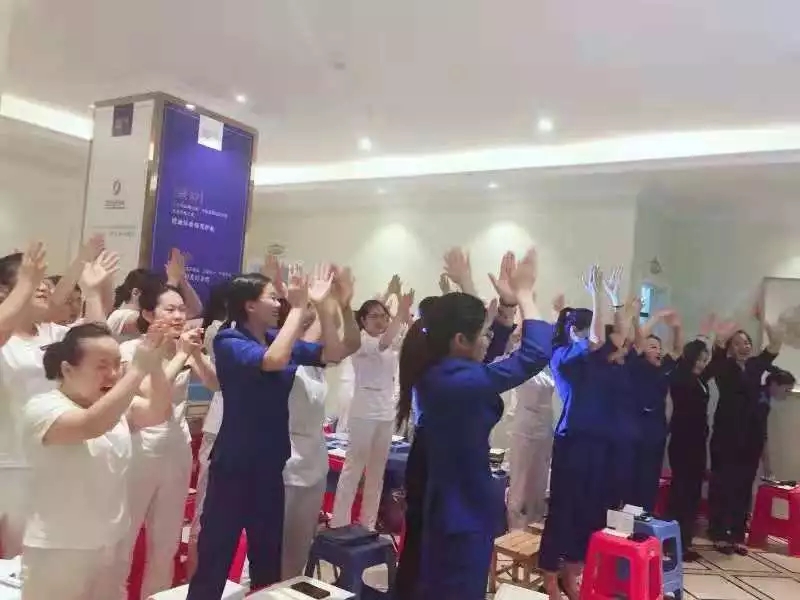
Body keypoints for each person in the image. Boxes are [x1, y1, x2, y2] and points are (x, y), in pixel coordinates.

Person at [188, 265, 358, 599]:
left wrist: (326, 306)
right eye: (271, 297)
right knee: (215, 556)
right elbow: (273, 360)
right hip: (234, 465)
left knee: (267, 558)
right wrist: (299, 307)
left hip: (270, 465)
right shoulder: (229, 340)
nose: (279, 303)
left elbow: (335, 352)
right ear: (250, 305)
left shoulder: (273, 338)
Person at [401, 248, 552, 600]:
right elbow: (534, 354)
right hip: (460, 513)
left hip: (457, 503)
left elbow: (485, 352)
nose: (489, 339)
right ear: (459, 340)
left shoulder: (444, 370)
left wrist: (507, 305)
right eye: (482, 334)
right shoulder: (456, 382)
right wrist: (526, 294)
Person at [19, 321, 173, 600]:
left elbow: (158, 412)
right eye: (102, 366)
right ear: (68, 369)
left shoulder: (116, 406)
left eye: (117, 364)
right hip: (60, 550)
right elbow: (90, 425)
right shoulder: (43, 407)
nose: (112, 374)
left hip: (111, 543)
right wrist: (138, 369)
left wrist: (155, 365)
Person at [0, 243, 117, 558]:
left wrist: (92, 292)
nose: (43, 287)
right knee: (15, 557)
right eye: (33, 279)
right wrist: (25, 285)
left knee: (50, 552)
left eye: (44, 281)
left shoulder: (53, 332)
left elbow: (98, 341)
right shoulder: (5, 338)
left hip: (60, 452)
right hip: (13, 463)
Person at [539, 265, 635, 600]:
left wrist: (615, 299)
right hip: (573, 442)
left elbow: (618, 337)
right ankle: (549, 575)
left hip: (599, 443)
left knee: (589, 510)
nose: (595, 334)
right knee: (563, 510)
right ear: (572, 330)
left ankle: (572, 573)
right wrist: (596, 293)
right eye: (586, 327)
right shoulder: (563, 356)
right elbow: (596, 338)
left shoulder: (597, 359)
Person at [117, 283, 219, 599]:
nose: (178, 316)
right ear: (149, 314)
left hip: (176, 448)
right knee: (124, 539)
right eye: (169, 309)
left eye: (181, 309)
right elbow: (148, 392)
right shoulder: (132, 350)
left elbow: (215, 384)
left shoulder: (184, 348)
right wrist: (182, 356)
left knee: (166, 543)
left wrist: (195, 354)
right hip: (139, 446)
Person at [282, 266, 360, 577]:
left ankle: (290, 589)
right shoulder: (284, 353)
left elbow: (348, 344)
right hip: (285, 461)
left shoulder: (315, 359)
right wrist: (320, 304)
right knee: (274, 545)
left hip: (314, 458)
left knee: (301, 546)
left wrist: (344, 306)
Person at [330, 291, 413, 530]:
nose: (380, 320)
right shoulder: (361, 342)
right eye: (374, 316)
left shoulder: (391, 344)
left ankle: (367, 523)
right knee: (353, 469)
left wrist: (403, 316)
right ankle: (339, 522)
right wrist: (400, 313)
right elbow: (384, 342)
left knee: (377, 473)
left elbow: (398, 339)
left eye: (384, 316)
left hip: (386, 413)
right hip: (364, 412)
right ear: (363, 320)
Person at [707, 315, 783, 555]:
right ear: (731, 348)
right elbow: (717, 352)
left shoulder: (755, 366)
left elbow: (775, 344)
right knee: (723, 483)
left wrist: (765, 320)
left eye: (747, 342)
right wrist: (720, 337)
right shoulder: (724, 366)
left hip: (750, 437)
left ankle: (738, 534)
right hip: (726, 435)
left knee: (743, 485)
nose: (744, 346)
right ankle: (719, 531)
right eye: (738, 343)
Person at [187, 280, 230, 577]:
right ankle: (195, 576)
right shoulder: (219, 331)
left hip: (241, 429)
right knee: (205, 506)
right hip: (219, 426)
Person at [626, 308, 683, 512]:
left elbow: (677, 351)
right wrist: (656, 318)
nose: (658, 351)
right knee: (634, 478)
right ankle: (630, 516)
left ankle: (646, 515)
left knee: (651, 478)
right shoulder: (635, 365)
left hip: (656, 431)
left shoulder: (663, 368)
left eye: (659, 348)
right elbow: (636, 342)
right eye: (652, 347)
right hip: (636, 429)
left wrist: (676, 328)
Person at [666, 337, 713, 561]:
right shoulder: (681, 377)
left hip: (697, 442)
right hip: (683, 442)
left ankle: (685, 540)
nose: (703, 363)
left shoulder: (699, 379)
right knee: (682, 492)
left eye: (705, 359)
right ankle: (675, 542)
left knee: (693, 492)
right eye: (700, 359)